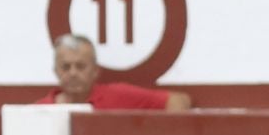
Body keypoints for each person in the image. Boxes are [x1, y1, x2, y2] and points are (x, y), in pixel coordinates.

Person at [35, 33, 192, 108]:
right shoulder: (39, 111)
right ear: (55, 71)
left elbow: (178, 101)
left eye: (81, 66)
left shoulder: (118, 95)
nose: (73, 73)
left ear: (95, 71)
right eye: (66, 67)